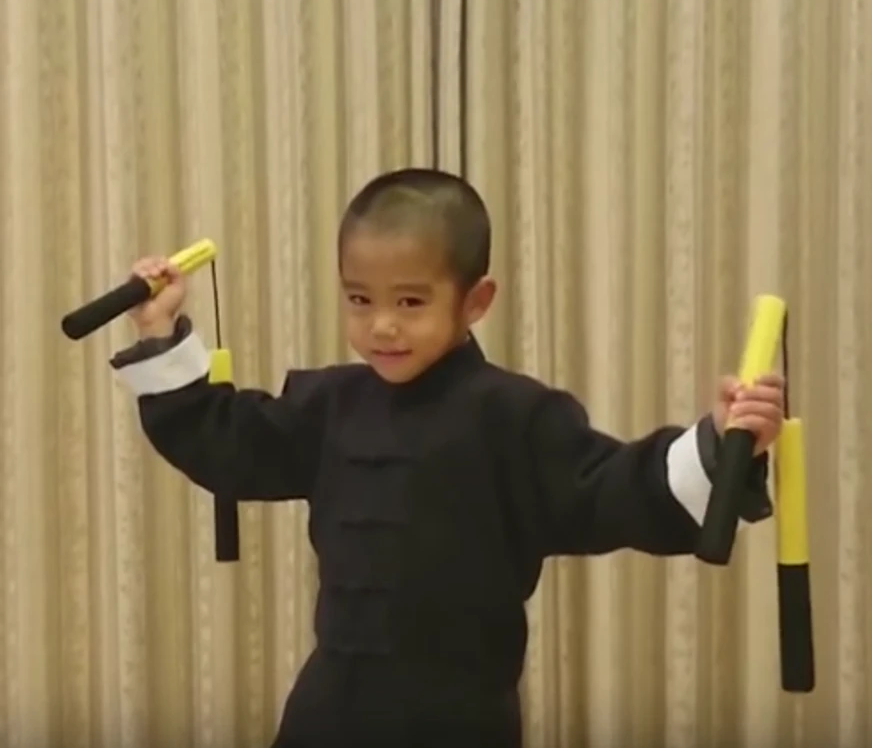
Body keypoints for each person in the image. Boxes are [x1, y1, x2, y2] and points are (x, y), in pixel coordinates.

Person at [110, 168, 784, 748]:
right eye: (360, 299)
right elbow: (227, 439)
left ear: (475, 300)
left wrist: (721, 441)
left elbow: (613, 488)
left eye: (410, 301)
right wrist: (160, 327)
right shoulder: (329, 406)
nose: (382, 324)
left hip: (458, 720)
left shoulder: (513, 416)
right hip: (328, 715)